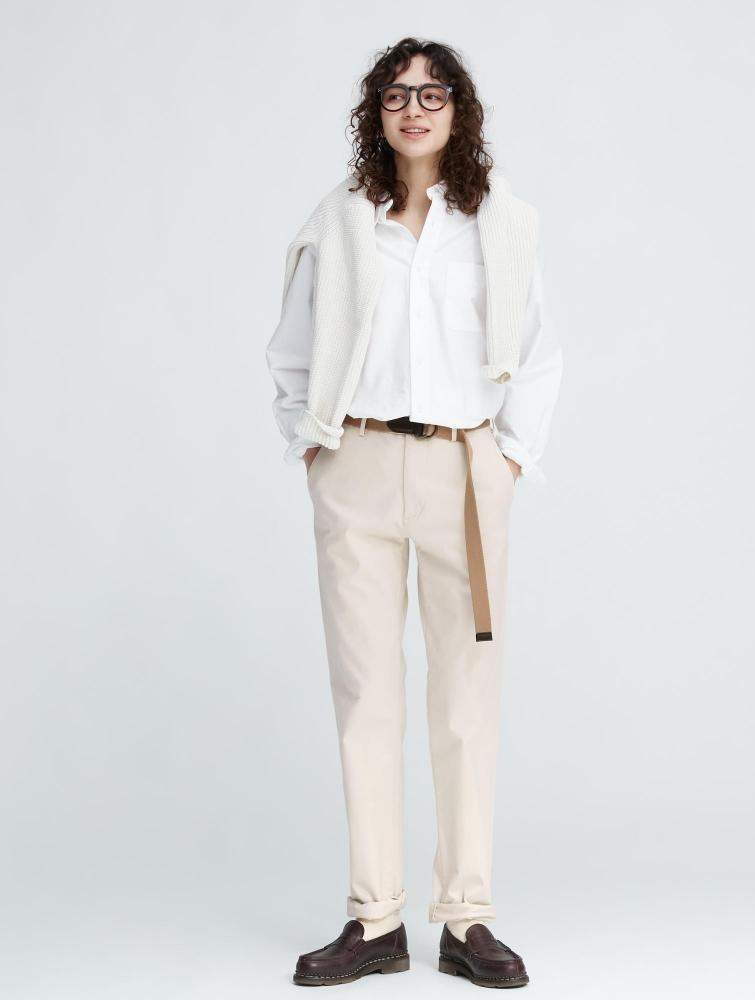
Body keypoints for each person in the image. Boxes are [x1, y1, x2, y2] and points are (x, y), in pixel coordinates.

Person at [265, 37, 562, 988]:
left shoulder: (498, 223)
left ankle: (467, 919)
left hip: (462, 473)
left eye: (433, 94)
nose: (415, 108)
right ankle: (376, 918)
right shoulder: (343, 222)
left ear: (458, 111)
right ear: (377, 113)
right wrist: (312, 446)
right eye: (397, 94)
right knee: (366, 694)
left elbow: (537, 351)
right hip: (355, 463)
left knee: (466, 698)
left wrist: (506, 460)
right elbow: (294, 347)